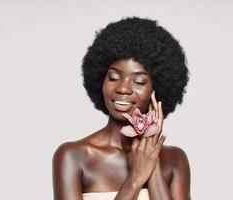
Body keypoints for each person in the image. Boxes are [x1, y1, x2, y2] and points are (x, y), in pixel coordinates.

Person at [52, 17, 191, 200]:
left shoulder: (175, 160)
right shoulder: (73, 156)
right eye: (113, 77)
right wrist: (135, 178)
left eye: (139, 81)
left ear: (156, 91)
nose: (123, 88)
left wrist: (152, 162)